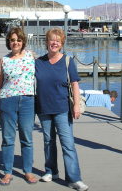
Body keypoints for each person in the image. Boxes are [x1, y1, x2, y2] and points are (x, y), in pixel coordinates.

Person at [35, 28, 89, 191]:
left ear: (61, 43)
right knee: (48, 141)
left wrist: (76, 105)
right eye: (52, 40)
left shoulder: (67, 61)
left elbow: (75, 84)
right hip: (43, 108)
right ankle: (51, 171)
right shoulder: (38, 61)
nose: (54, 43)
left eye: (58, 41)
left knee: (67, 144)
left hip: (62, 108)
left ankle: (74, 179)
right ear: (46, 42)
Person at [0, 27, 38, 185]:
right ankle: (7, 172)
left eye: (18, 40)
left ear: (23, 41)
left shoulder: (31, 56)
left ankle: (28, 171)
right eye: (12, 40)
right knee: (7, 139)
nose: (16, 43)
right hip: (7, 101)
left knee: (27, 138)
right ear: (9, 42)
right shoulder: (3, 60)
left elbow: (45, 72)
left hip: (27, 101)